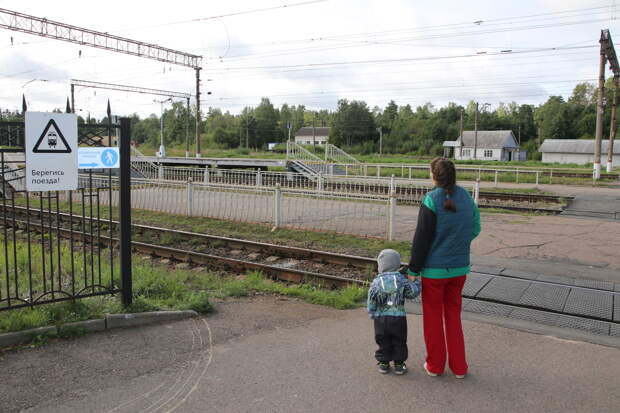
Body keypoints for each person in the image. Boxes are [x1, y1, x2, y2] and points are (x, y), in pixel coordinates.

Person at [406, 157, 481, 379]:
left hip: (434, 272)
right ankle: (459, 367)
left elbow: (422, 240)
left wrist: (413, 270)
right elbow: (475, 228)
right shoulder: (466, 197)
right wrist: (458, 243)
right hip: (459, 269)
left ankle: (435, 365)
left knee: (433, 318)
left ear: (434, 176)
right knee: (453, 317)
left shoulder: (431, 200)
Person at [367, 249, 421, 375]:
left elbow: (371, 298)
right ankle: (399, 365)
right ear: (397, 264)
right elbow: (412, 293)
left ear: (380, 266)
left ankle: (384, 363)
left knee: (382, 339)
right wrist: (416, 282)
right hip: (398, 318)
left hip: (381, 319)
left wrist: (372, 312)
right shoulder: (402, 280)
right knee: (399, 340)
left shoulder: (376, 282)